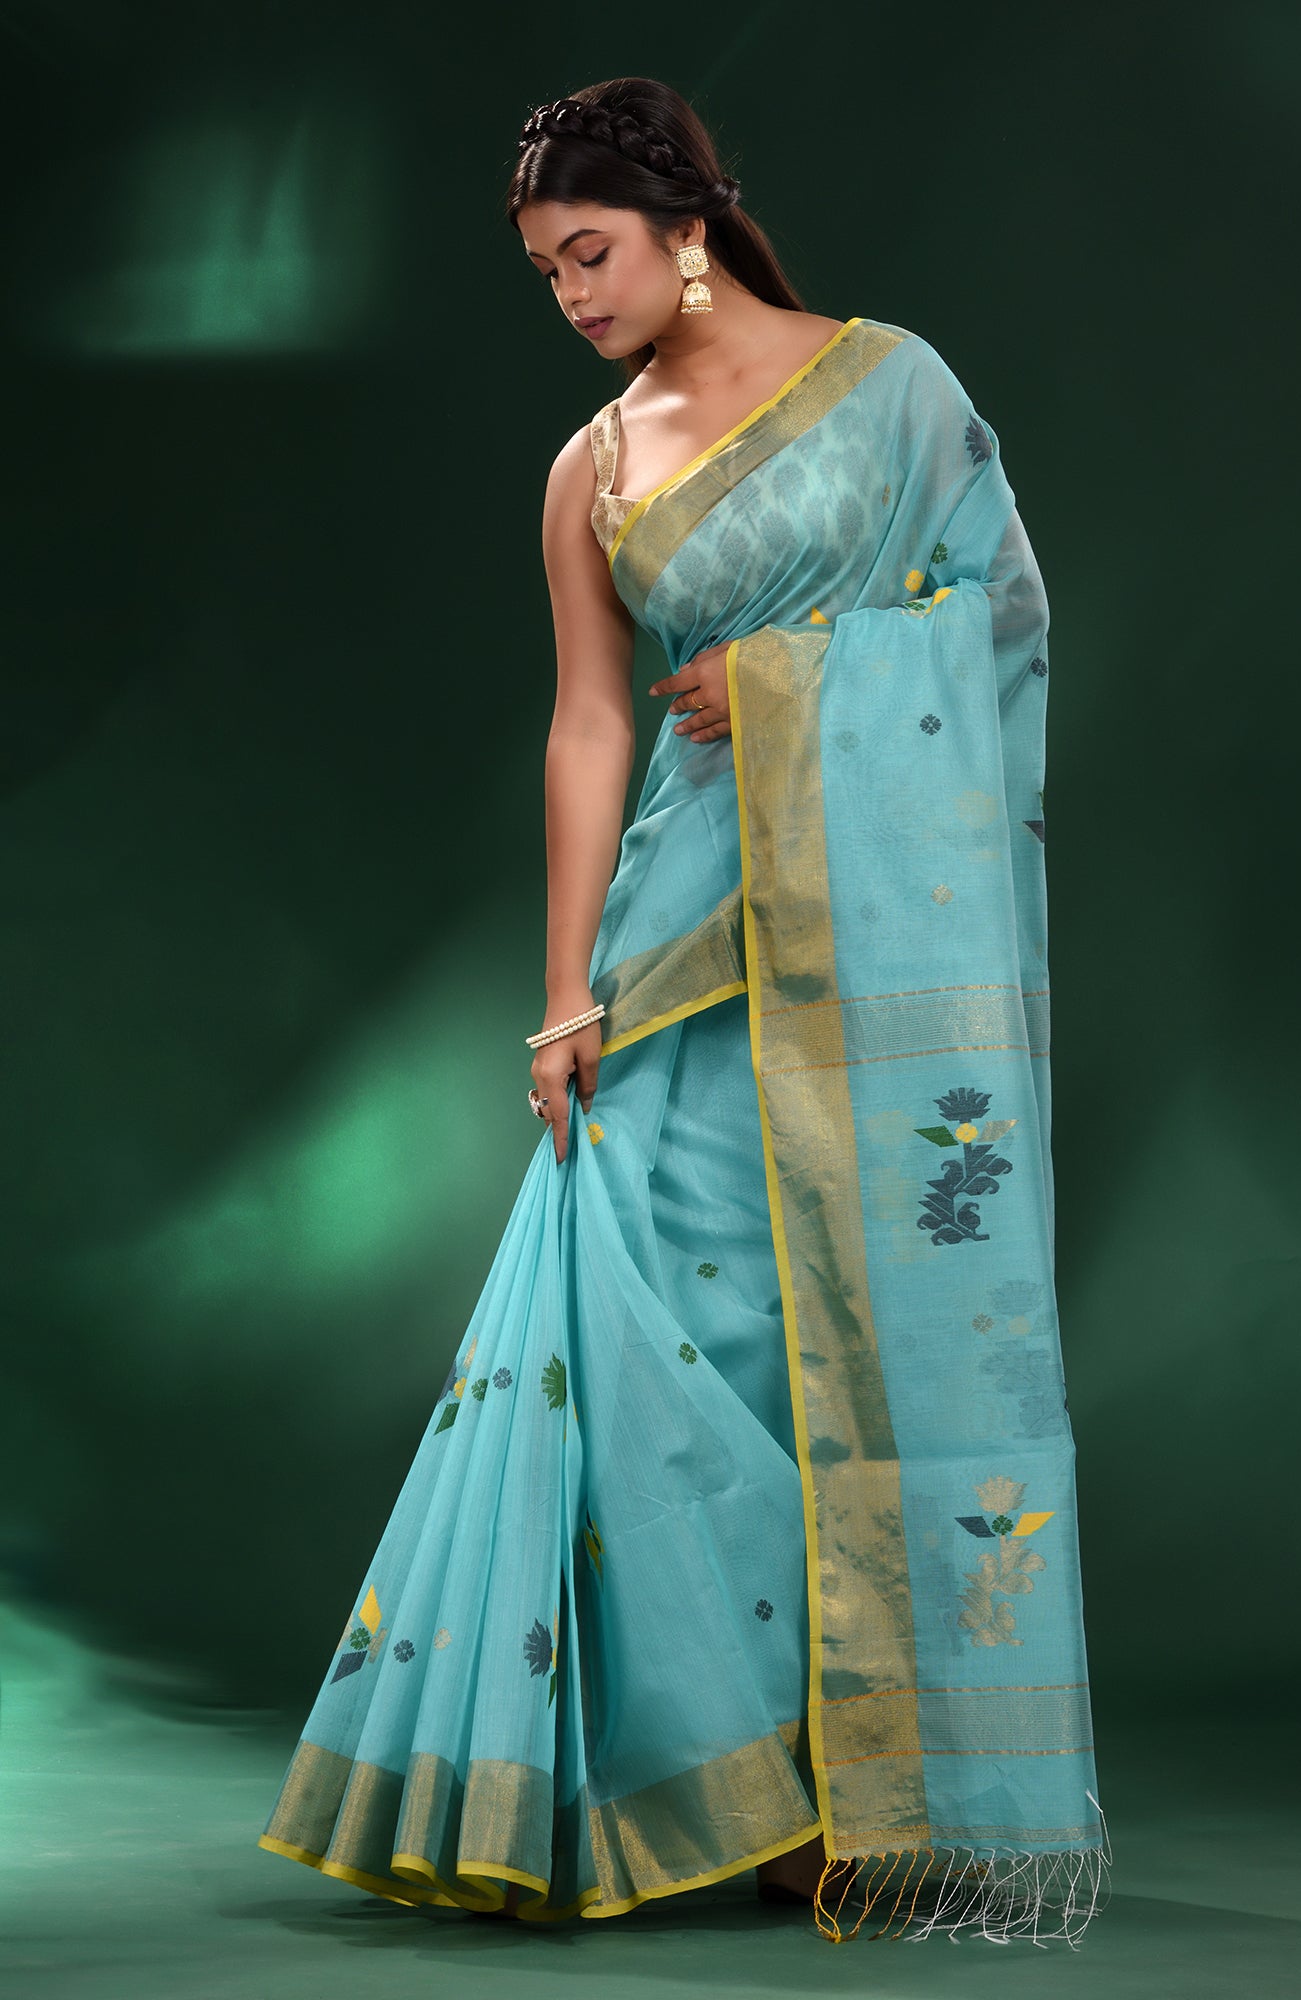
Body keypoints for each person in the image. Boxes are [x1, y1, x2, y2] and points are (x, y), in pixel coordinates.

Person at [257, 74, 1109, 1945]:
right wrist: (562, 993)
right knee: (650, 1329)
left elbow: (1000, 623)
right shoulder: (592, 469)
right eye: (548, 272)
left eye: (591, 254)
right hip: (681, 935)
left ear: (687, 227)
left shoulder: (894, 388)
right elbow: (589, 725)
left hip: (874, 949)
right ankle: (710, 1787)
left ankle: (872, 1792)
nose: (573, 295)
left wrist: (791, 681)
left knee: (849, 1336)